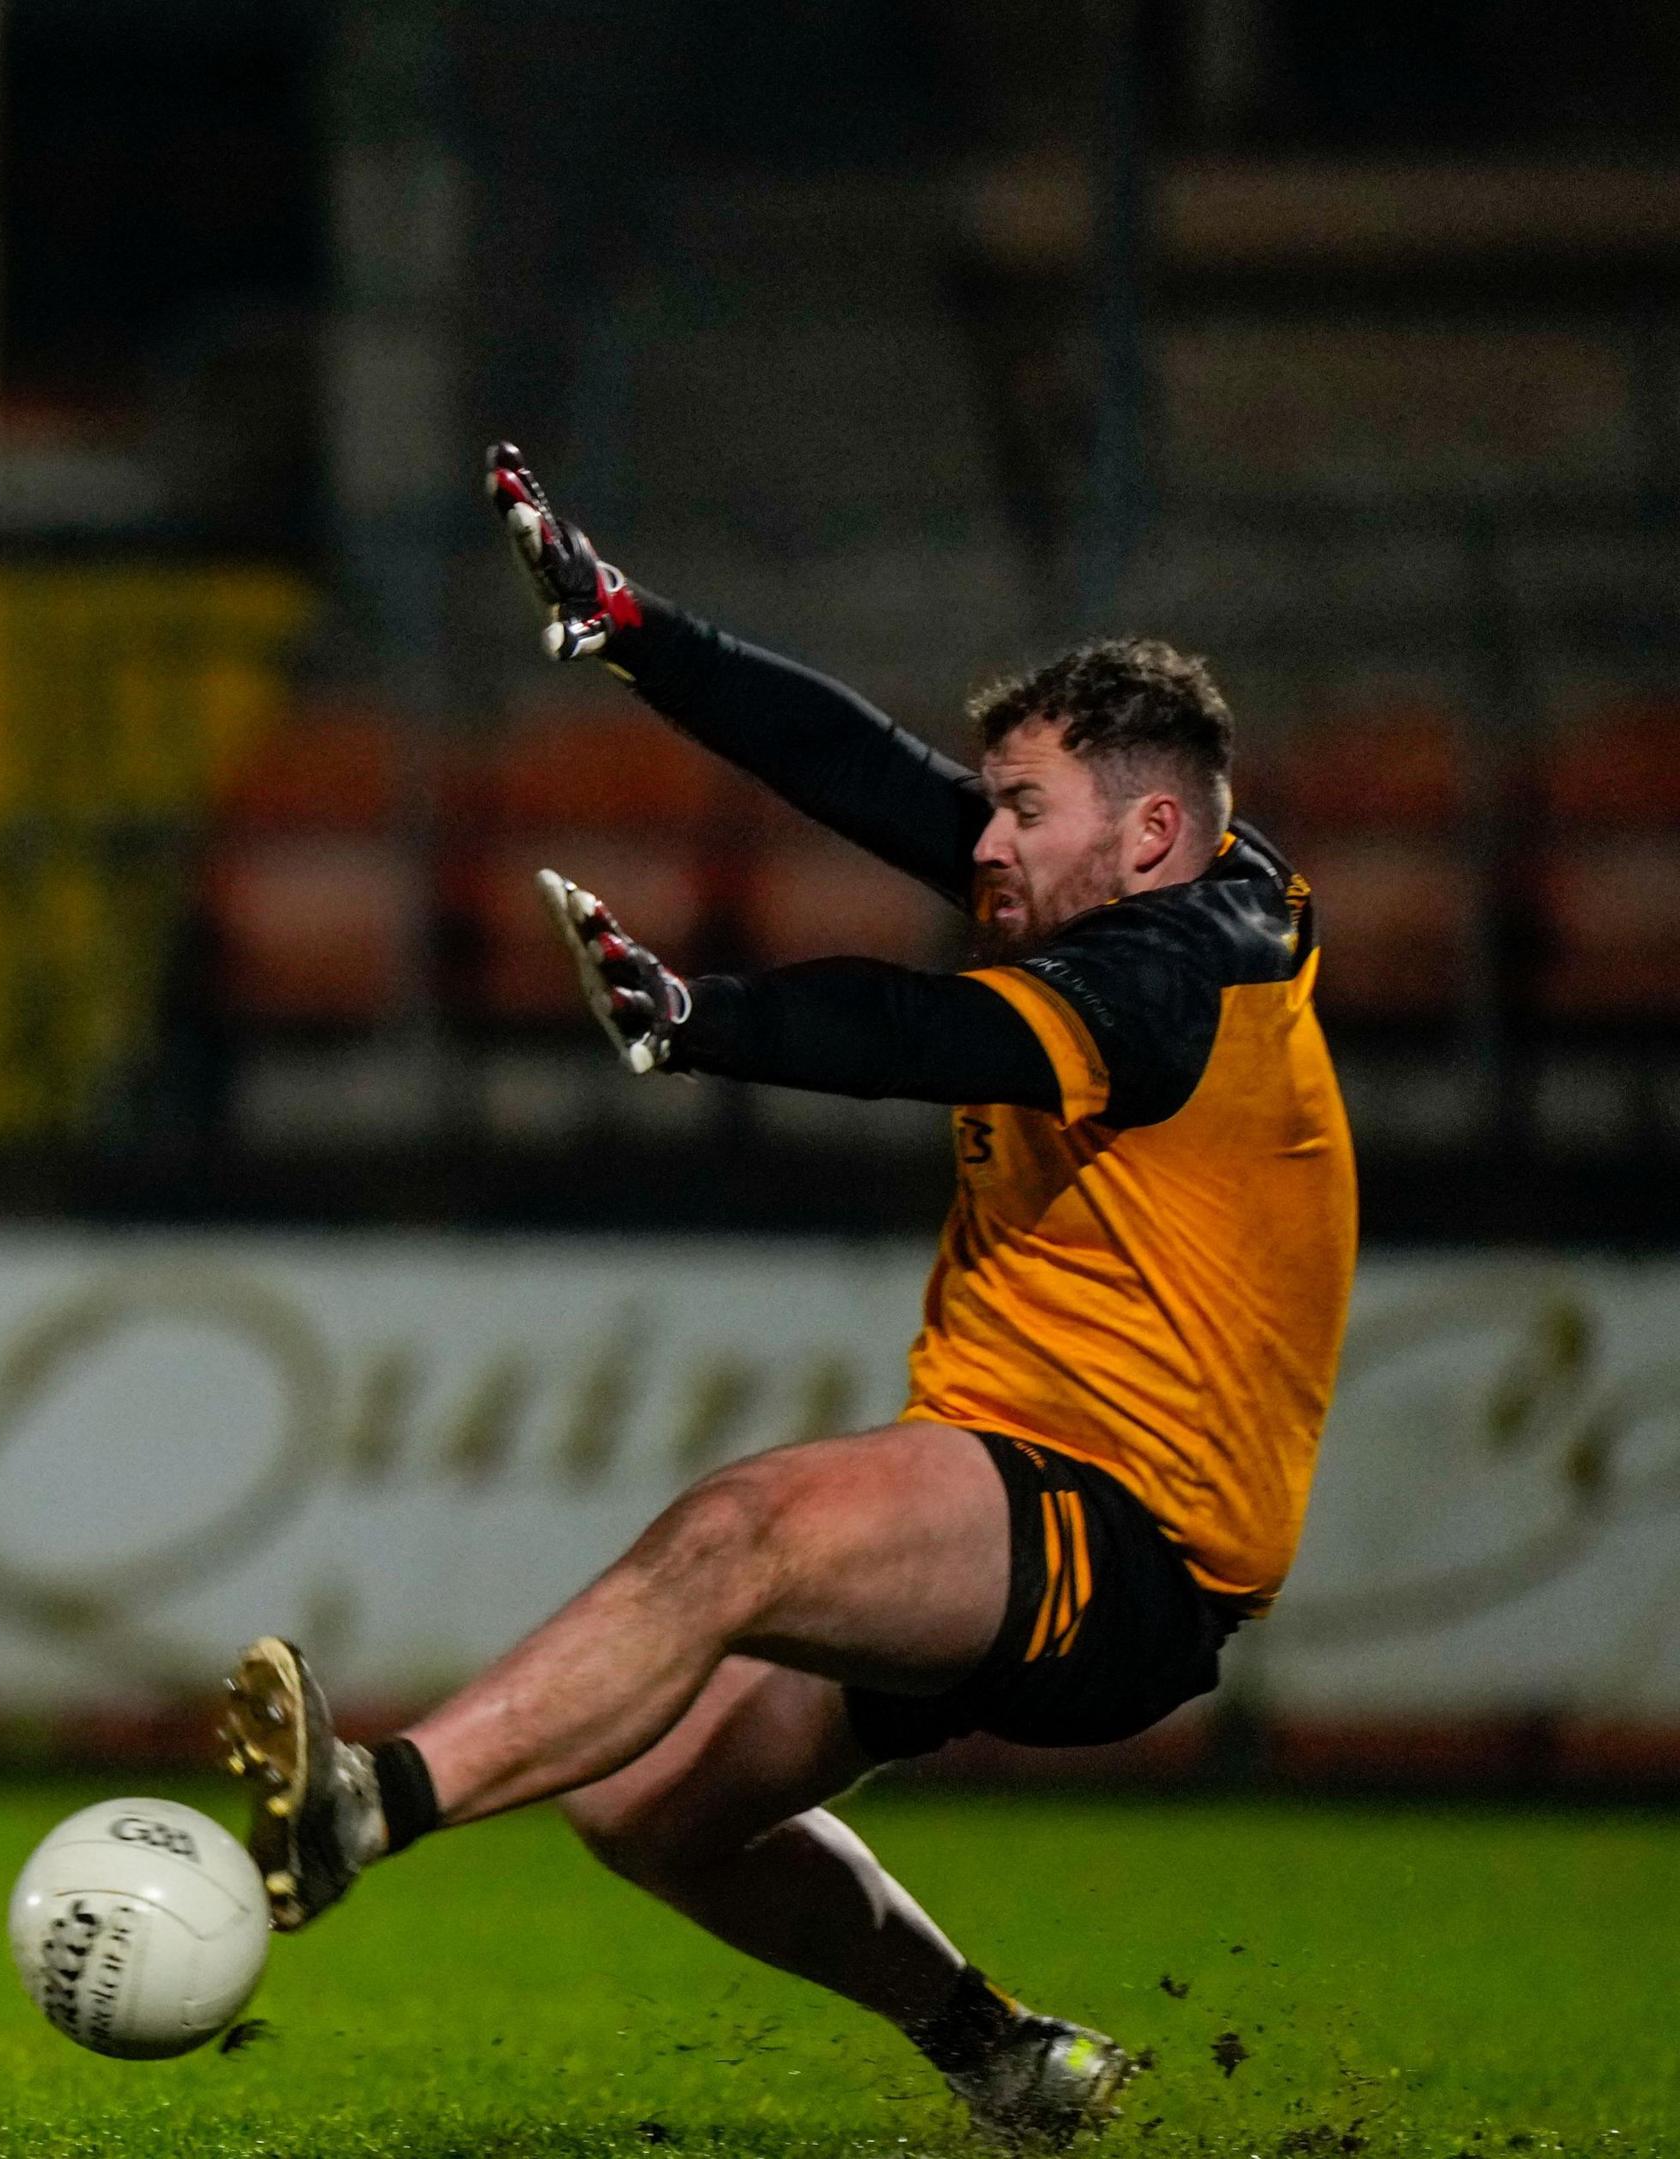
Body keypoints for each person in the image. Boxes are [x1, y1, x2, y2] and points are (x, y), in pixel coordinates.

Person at [225, 445, 1356, 2148]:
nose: (982, 838)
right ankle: (999, 2048)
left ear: (1145, 831)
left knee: (744, 1526)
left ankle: (368, 1805)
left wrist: (706, 1018)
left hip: (1128, 1532)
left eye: (1020, 808)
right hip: (1013, 1489)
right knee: (640, 1803)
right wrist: (630, 630)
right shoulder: (1148, 892)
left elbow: (927, 1036)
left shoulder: (1182, 968)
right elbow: (864, 771)